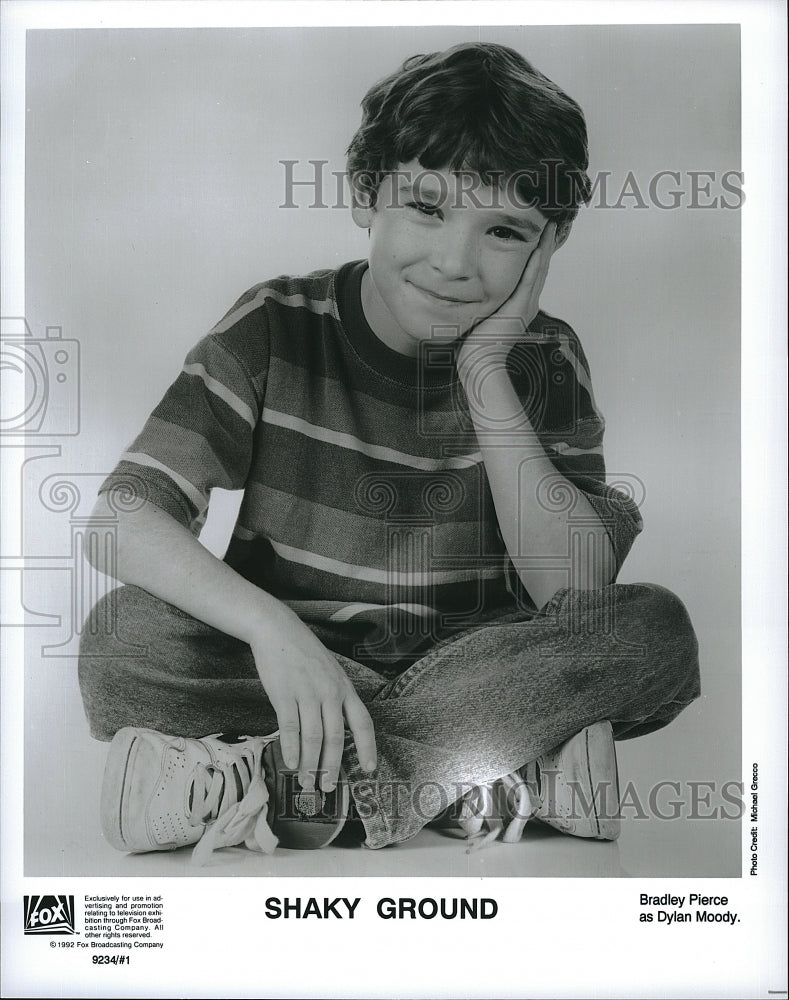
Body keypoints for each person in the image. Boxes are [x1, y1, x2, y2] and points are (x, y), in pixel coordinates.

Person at [79, 42, 700, 862]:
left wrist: (484, 372)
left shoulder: (542, 359)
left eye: (503, 230)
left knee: (652, 631)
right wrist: (273, 631)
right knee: (119, 636)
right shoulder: (273, 327)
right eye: (428, 208)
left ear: (545, 248)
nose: (453, 262)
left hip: (482, 662)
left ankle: (295, 782)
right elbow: (121, 519)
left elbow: (570, 585)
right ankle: (486, 771)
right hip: (296, 670)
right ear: (366, 194)